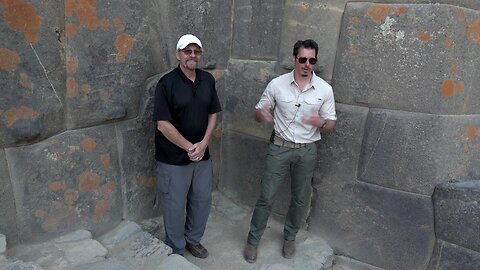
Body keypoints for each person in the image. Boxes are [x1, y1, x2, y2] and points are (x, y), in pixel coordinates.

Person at [243, 39, 336, 263]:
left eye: (312, 60)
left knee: (300, 198)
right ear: (294, 59)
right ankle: (253, 241)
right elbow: (259, 111)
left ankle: (290, 237)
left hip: (306, 150)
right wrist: (261, 114)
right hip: (280, 147)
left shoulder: (324, 89)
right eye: (302, 59)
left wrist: (320, 122)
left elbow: (331, 122)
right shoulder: (277, 84)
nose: (307, 64)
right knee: (267, 196)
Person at [153, 34, 222, 258]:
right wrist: (189, 147)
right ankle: (176, 247)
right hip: (173, 157)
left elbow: (213, 114)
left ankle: (193, 240)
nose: (192, 55)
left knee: (202, 200)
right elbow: (163, 124)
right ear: (178, 54)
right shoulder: (166, 84)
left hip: (202, 155)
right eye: (187, 51)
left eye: (196, 51)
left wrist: (204, 143)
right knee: (174, 205)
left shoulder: (207, 80)